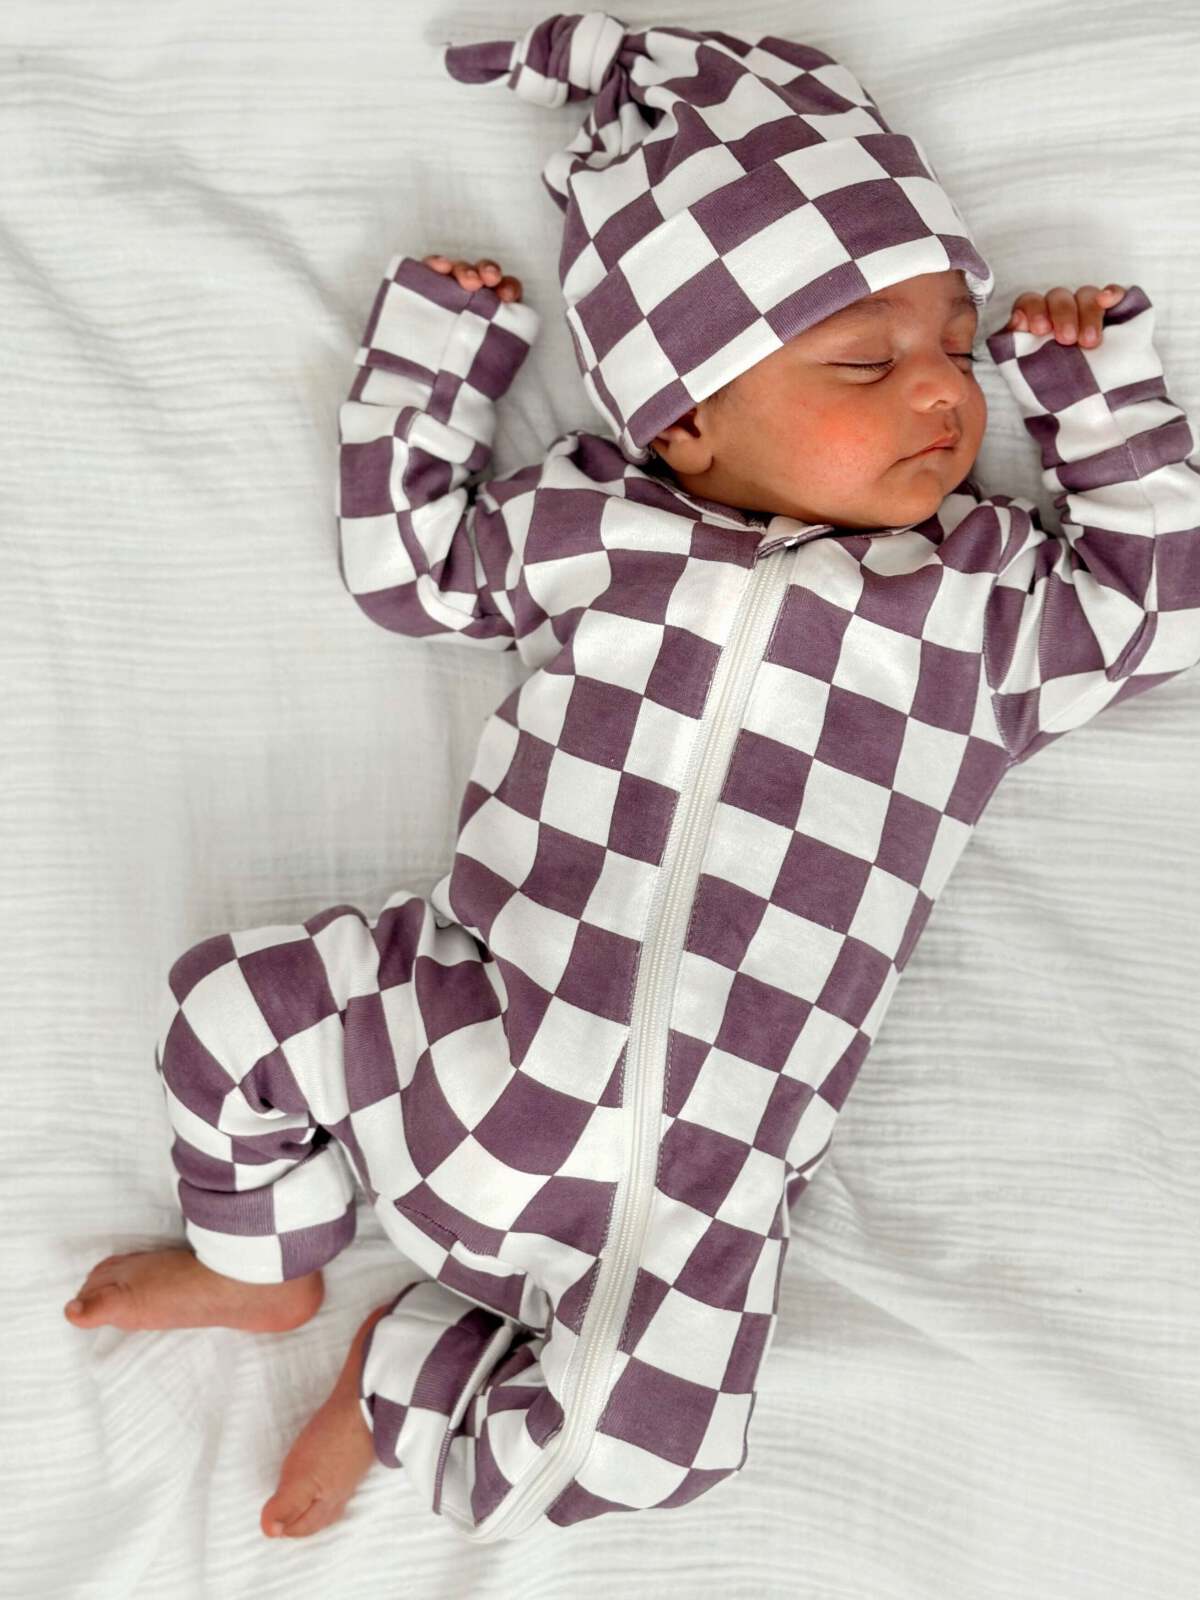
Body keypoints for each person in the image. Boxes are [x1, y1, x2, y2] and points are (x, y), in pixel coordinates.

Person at [64, 12, 1200, 1546]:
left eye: (956, 344)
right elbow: (411, 570)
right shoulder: (600, 529)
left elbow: (1154, 609)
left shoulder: (978, 610)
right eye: (866, 359)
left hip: (694, 1195)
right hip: (479, 1027)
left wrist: (1094, 398)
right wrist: (435, 369)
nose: (943, 391)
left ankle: (405, 1378)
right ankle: (260, 1263)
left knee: (646, 1460)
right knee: (229, 1006)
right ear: (684, 417)